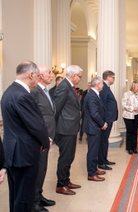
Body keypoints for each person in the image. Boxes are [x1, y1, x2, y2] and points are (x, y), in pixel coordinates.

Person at [1, 61, 50, 212]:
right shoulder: (23, 96)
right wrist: (45, 141)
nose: (38, 79)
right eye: (37, 76)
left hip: (13, 151)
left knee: (16, 194)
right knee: (24, 197)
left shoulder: (9, 91)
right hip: (24, 153)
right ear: (31, 74)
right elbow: (36, 125)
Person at [30, 65, 56, 212]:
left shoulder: (45, 91)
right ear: (40, 75)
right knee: (38, 168)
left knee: (43, 167)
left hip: (47, 136)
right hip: (40, 137)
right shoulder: (34, 91)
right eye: (49, 73)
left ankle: (39, 195)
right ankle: (34, 201)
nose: (51, 76)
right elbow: (33, 116)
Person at [54, 65, 83, 195]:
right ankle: (61, 184)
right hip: (65, 128)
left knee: (70, 156)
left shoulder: (69, 87)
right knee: (65, 157)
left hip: (70, 127)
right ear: (73, 76)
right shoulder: (63, 87)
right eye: (80, 76)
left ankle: (66, 181)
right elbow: (56, 109)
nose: (80, 79)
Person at [83, 76, 107, 181]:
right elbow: (94, 113)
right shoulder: (92, 95)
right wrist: (102, 124)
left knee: (95, 149)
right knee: (92, 151)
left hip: (95, 126)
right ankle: (91, 173)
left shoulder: (94, 94)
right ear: (97, 85)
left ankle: (94, 169)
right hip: (93, 127)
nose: (103, 85)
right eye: (102, 83)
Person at [98, 70, 118, 170]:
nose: (114, 80)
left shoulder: (107, 87)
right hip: (106, 119)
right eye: (113, 78)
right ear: (108, 77)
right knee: (103, 141)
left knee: (105, 140)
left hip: (109, 118)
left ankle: (104, 159)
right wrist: (104, 121)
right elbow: (103, 105)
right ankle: (101, 162)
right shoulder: (103, 88)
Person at [122, 81, 138, 154]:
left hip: (137, 115)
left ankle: (134, 147)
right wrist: (133, 108)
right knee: (129, 132)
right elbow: (123, 105)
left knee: (134, 132)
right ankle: (129, 148)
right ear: (133, 87)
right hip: (128, 116)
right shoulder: (127, 94)